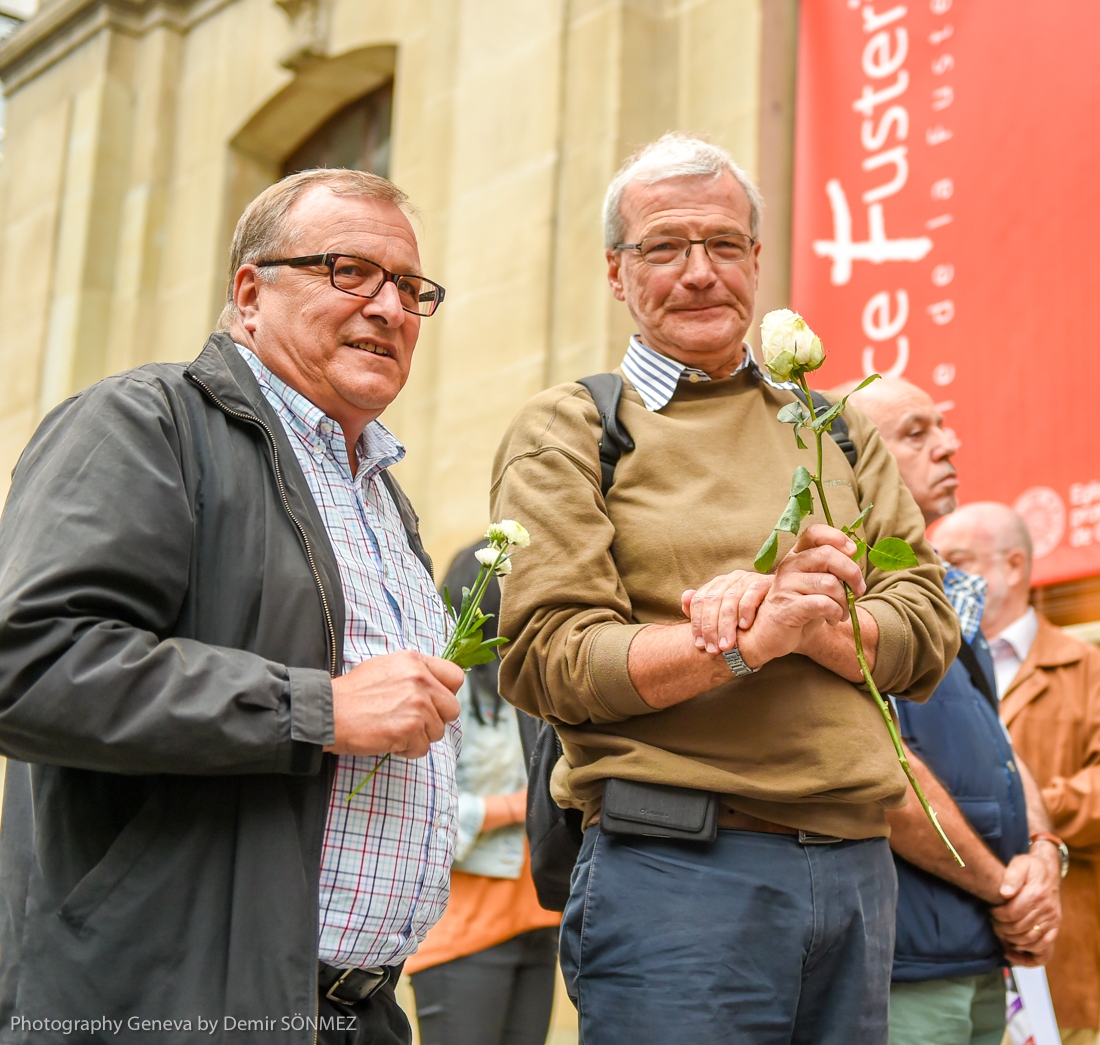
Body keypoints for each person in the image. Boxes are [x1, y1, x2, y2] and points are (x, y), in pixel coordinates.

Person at [488, 133, 960, 1045]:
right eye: (664, 247)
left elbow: (926, 630)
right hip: (675, 878)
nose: (698, 272)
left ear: (754, 258)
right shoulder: (576, 426)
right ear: (618, 274)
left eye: (722, 244)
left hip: (857, 873)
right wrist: (740, 639)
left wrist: (809, 624)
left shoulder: (836, 428)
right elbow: (548, 660)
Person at [0, 168, 464, 1044]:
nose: (389, 308)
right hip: (171, 1004)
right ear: (250, 294)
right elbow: (28, 663)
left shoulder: (381, 498)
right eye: (347, 271)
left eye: (409, 287)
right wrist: (317, 707)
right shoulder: (145, 420)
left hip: (355, 1011)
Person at [844, 378, 1062, 1045]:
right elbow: (875, 771)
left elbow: (996, 745)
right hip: (899, 965)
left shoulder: (947, 589)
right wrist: (1004, 888)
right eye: (916, 432)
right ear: (848, 459)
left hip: (977, 953)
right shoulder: (838, 581)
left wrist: (1044, 854)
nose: (949, 445)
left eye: (944, 427)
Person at [932, 502, 1100, 1044]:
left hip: (1053, 956)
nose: (940, 574)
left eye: (956, 560)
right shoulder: (929, 663)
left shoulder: (1091, 670)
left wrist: (1015, 812)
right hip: (945, 951)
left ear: (1015, 566)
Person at [406, 541, 561, 1045]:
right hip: (464, 936)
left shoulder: (532, 686)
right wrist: (517, 808)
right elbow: (418, 814)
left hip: (538, 922)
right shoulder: (446, 691)